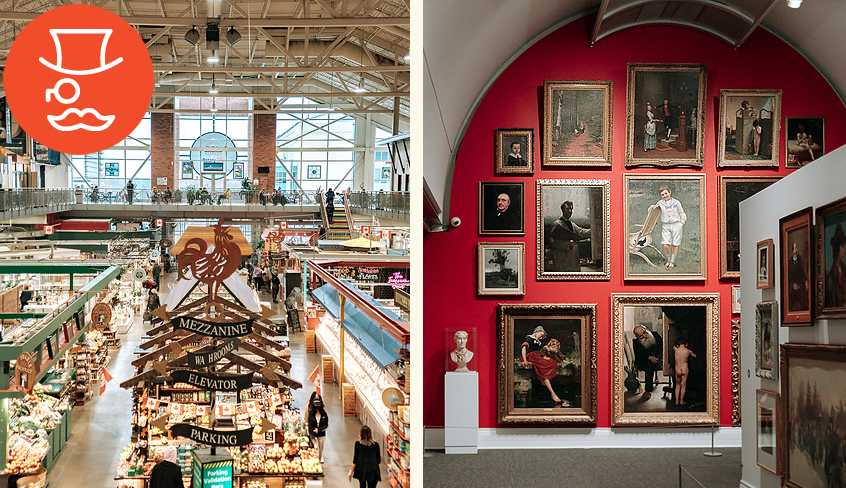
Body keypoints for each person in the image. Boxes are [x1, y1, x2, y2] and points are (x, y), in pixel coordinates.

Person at [548, 200, 591, 272]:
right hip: (562, 260)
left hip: (573, 259)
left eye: (571, 209)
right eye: (568, 209)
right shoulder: (557, 224)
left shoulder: (572, 224)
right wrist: (567, 244)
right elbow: (552, 242)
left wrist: (594, 230)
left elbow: (582, 232)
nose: (570, 211)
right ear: (562, 210)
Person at [524, 337, 569, 404]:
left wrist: (563, 360)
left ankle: (541, 378)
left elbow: (560, 355)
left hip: (547, 360)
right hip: (539, 358)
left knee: (553, 363)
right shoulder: (546, 348)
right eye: (553, 346)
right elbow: (542, 354)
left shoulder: (557, 350)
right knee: (546, 364)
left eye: (556, 346)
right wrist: (545, 357)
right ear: (550, 345)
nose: (555, 347)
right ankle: (551, 392)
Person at [655, 185, 686, 269]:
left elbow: (681, 213)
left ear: (670, 192)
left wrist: (681, 223)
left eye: (666, 193)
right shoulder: (660, 203)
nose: (665, 195)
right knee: (666, 244)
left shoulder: (676, 202)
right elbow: (654, 211)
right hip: (666, 225)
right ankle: (668, 260)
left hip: (676, 224)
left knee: (675, 244)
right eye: (662, 195)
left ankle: (672, 261)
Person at [632, 325, 663, 400]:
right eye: (641, 336)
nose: (645, 336)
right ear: (637, 337)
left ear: (646, 330)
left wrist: (661, 356)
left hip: (660, 360)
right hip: (645, 362)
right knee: (649, 364)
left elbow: (663, 346)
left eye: (644, 333)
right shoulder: (636, 343)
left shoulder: (655, 335)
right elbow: (638, 357)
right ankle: (648, 390)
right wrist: (648, 358)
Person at [825, 223, 846, 308]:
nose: (844, 251)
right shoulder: (831, 277)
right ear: (837, 248)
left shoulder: (844, 271)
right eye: (842, 247)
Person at [672, 339, 696, 406]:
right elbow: (695, 356)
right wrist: (692, 354)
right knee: (683, 386)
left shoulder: (676, 350)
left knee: (677, 385)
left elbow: (674, 347)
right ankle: (681, 401)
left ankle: (676, 401)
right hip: (684, 369)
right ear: (686, 344)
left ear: (677, 345)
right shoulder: (688, 351)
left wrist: (676, 348)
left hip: (678, 369)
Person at [788, 240, 809, 311]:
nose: (796, 250)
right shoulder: (789, 262)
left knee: (804, 290)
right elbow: (788, 277)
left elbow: (802, 272)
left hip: (800, 283)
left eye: (797, 248)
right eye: (794, 249)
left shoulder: (800, 259)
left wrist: (806, 281)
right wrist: (792, 285)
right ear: (792, 250)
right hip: (792, 285)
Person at [307, 392, 329, 463]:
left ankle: (321, 456)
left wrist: (319, 430)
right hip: (314, 434)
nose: (317, 406)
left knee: (321, 445)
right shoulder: (311, 413)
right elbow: (310, 425)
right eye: (316, 405)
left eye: (318, 404)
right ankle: (315, 458)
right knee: (315, 447)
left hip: (322, 434)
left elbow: (326, 425)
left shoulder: (324, 414)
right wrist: (312, 434)